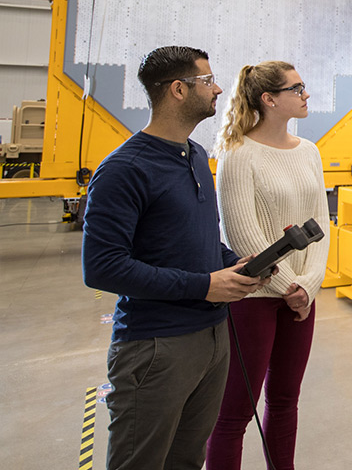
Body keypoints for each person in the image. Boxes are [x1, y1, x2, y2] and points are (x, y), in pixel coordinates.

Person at [82, 45, 264, 470]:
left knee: (187, 459)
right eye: (207, 81)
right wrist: (204, 285)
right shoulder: (124, 169)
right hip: (155, 347)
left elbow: (198, 241)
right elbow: (103, 266)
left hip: (212, 338)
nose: (217, 89)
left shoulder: (196, 156)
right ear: (178, 90)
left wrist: (233, 263)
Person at [205, 61, 330, 470]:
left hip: (301, 298)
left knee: (285, 402)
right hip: (253, 298)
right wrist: (291, 287)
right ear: (269, 99)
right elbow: (242, 235)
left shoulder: (309, 152)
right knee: (234, 414)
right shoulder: (238, 154)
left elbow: (320, 223)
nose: (305, 94)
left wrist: (309, 286)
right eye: (297, 88)